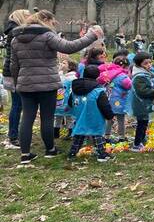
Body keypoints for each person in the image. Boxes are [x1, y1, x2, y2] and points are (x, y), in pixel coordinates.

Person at [11, 10, 102, 164]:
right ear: (45, 20)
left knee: (26, 117)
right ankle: (50, 149)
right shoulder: (47, 36)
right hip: (47, 83)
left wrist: (17, 82)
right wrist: (92, 35)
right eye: (53, 22)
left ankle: (25, 154)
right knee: (47, 117)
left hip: (25, 85)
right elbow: (69, 47)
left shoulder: (16, 39)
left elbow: (14, 65)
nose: (53, 26)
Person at [67, 65, 115, 162]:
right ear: (97, 77)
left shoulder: (75, 89)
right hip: (95, 117)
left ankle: (72, 152)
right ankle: (102, 154)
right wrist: (110, 116)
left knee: (79, 134)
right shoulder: (98, 91)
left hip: (79, 116)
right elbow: (104, 105)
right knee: (97, 135)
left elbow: (70, 102)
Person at [3, 9, 30, 149]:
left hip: (10, 71)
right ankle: (13, 136)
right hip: (14, 73)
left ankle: (14, 134)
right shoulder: (16, 32)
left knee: (17, 104)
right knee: (17, 105)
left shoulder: (11, 30)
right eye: (28, 17)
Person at [99, 56, 132, 143]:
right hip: (119, 101)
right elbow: (128, 85)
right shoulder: (122, 76)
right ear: (125, 66)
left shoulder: (108, 74)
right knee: (120, 118)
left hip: (108, 99)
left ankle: (106, 136)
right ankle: (121, 136)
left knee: (109, 119)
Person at [130, 52, 154, 152]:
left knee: (144, 122)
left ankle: (142, 139)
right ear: (139, 64)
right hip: (140, 104)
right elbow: (143, 92)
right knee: (141, 123)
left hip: (144, 104)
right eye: (146, 63)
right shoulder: (139, 76)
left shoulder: (146, 73)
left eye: (150, 62)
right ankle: (137, 144)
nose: (149, 65)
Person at [54, 58, 78, 138]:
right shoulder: (59, 75)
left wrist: (71, 102)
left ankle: (70, 133)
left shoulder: (72, 78)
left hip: (67, 100)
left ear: (69, 67)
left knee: (69, 117)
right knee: (57, 116)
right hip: (58, 100)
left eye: (64, 63)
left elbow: (73, 90)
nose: (61, 64)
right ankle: (56, 132)